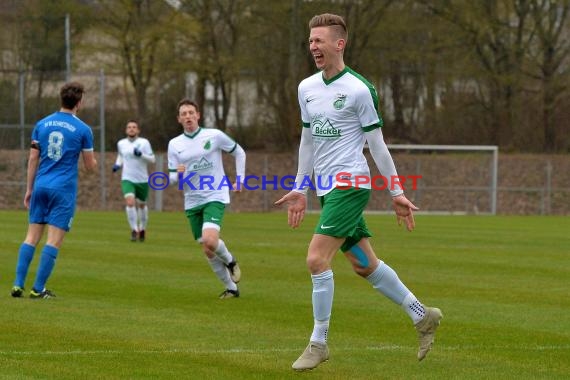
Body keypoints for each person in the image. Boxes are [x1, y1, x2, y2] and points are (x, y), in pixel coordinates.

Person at [275, 13, 443, 371]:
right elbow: (307, 140)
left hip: (351, 184)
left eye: (319, 40)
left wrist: (396, 191)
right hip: (326, 188)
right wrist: (300, 188)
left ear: (340, 43)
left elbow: (378, 146)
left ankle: (318, 343)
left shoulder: (359, 89)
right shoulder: (306, 88)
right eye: (309, 41)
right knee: (364, 264)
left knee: (316, 260)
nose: (312, 47)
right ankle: (422, 315)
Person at [10, 82, 98, 299]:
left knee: (31, 237)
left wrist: (29, 189)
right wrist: (94, 163)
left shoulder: (42, 124)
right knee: (53, 240)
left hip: (40, 185)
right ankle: (38, 289)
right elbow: (89, 167)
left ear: (61, 99)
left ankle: (17, 285)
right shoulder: (83, 129)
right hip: (63, 189)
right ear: (79, 102)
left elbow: (33, 158)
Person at [167, 99, 245, 299]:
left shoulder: (214, 136)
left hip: (215, 194)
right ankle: (231, 288)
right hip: (192, 200)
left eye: (191, 112)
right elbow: (172, 179)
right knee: (208, 250)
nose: (188, 116)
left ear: (198, 115)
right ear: (178, 119)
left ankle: (231, 261)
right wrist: (180, 174)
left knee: (211, 241)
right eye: (183, 114)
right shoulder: (174, 144)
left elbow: (239, 152)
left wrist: (240, 179)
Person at [112, 119, 155, 242]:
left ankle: (142, 229)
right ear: (126, 130)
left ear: (138, 130)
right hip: (127, 178)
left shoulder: (144, 143)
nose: (131, 129)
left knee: (142, 205)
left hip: (142, 179)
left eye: (134, 127)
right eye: (129, 127)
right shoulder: (121, 143)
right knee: (130, 202)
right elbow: (121, 156)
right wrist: (117, 164)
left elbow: (152, 159)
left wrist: (141, 154)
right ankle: (134, 230)